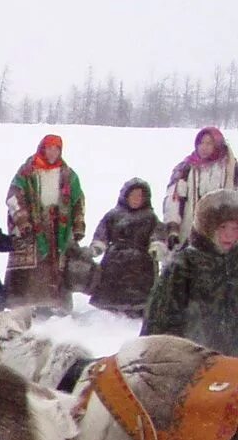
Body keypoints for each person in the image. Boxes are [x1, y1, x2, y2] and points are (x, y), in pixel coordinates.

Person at [141, 188, 238, 355]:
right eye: (222, 227)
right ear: (207, 227)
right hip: (192, 365)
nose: (229, 235)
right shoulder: (183, 265)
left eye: (236, 228)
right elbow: (159, 321)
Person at [5, 134, 85, 313]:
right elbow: (14, 196)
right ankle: (27, 305)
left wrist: (78, 224)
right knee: (35, 266)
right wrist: (23, 220)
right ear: (42, 148)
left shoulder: (67, 174)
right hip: (33, 224)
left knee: (56, 265)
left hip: (58, 226)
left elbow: (78, 200)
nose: (52, 152)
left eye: (56, 149)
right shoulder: (27, 171)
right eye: (49, 148)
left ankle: (55, 305)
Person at [86, 178, 167, 317]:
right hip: (115, 259)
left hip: (140, 260)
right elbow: (102, 233)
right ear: (125, 196)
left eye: (140, 196)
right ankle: (110, 306)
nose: (136, 199)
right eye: (133, 195)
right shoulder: (113, 215)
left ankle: (138, 307)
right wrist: (97, 247)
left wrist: (156, 247)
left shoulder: (150, 217)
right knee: (111, 280)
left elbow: (157, 234)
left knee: (140, 284)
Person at [163, 127, 237, 249]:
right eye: (201, 143)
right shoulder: (185, 168)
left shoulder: (231, 169)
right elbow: (173, 200)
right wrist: (172, 228)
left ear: (218, 144)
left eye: (209, 143)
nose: (204, 147)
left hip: (223, 236)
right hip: (189, 233)